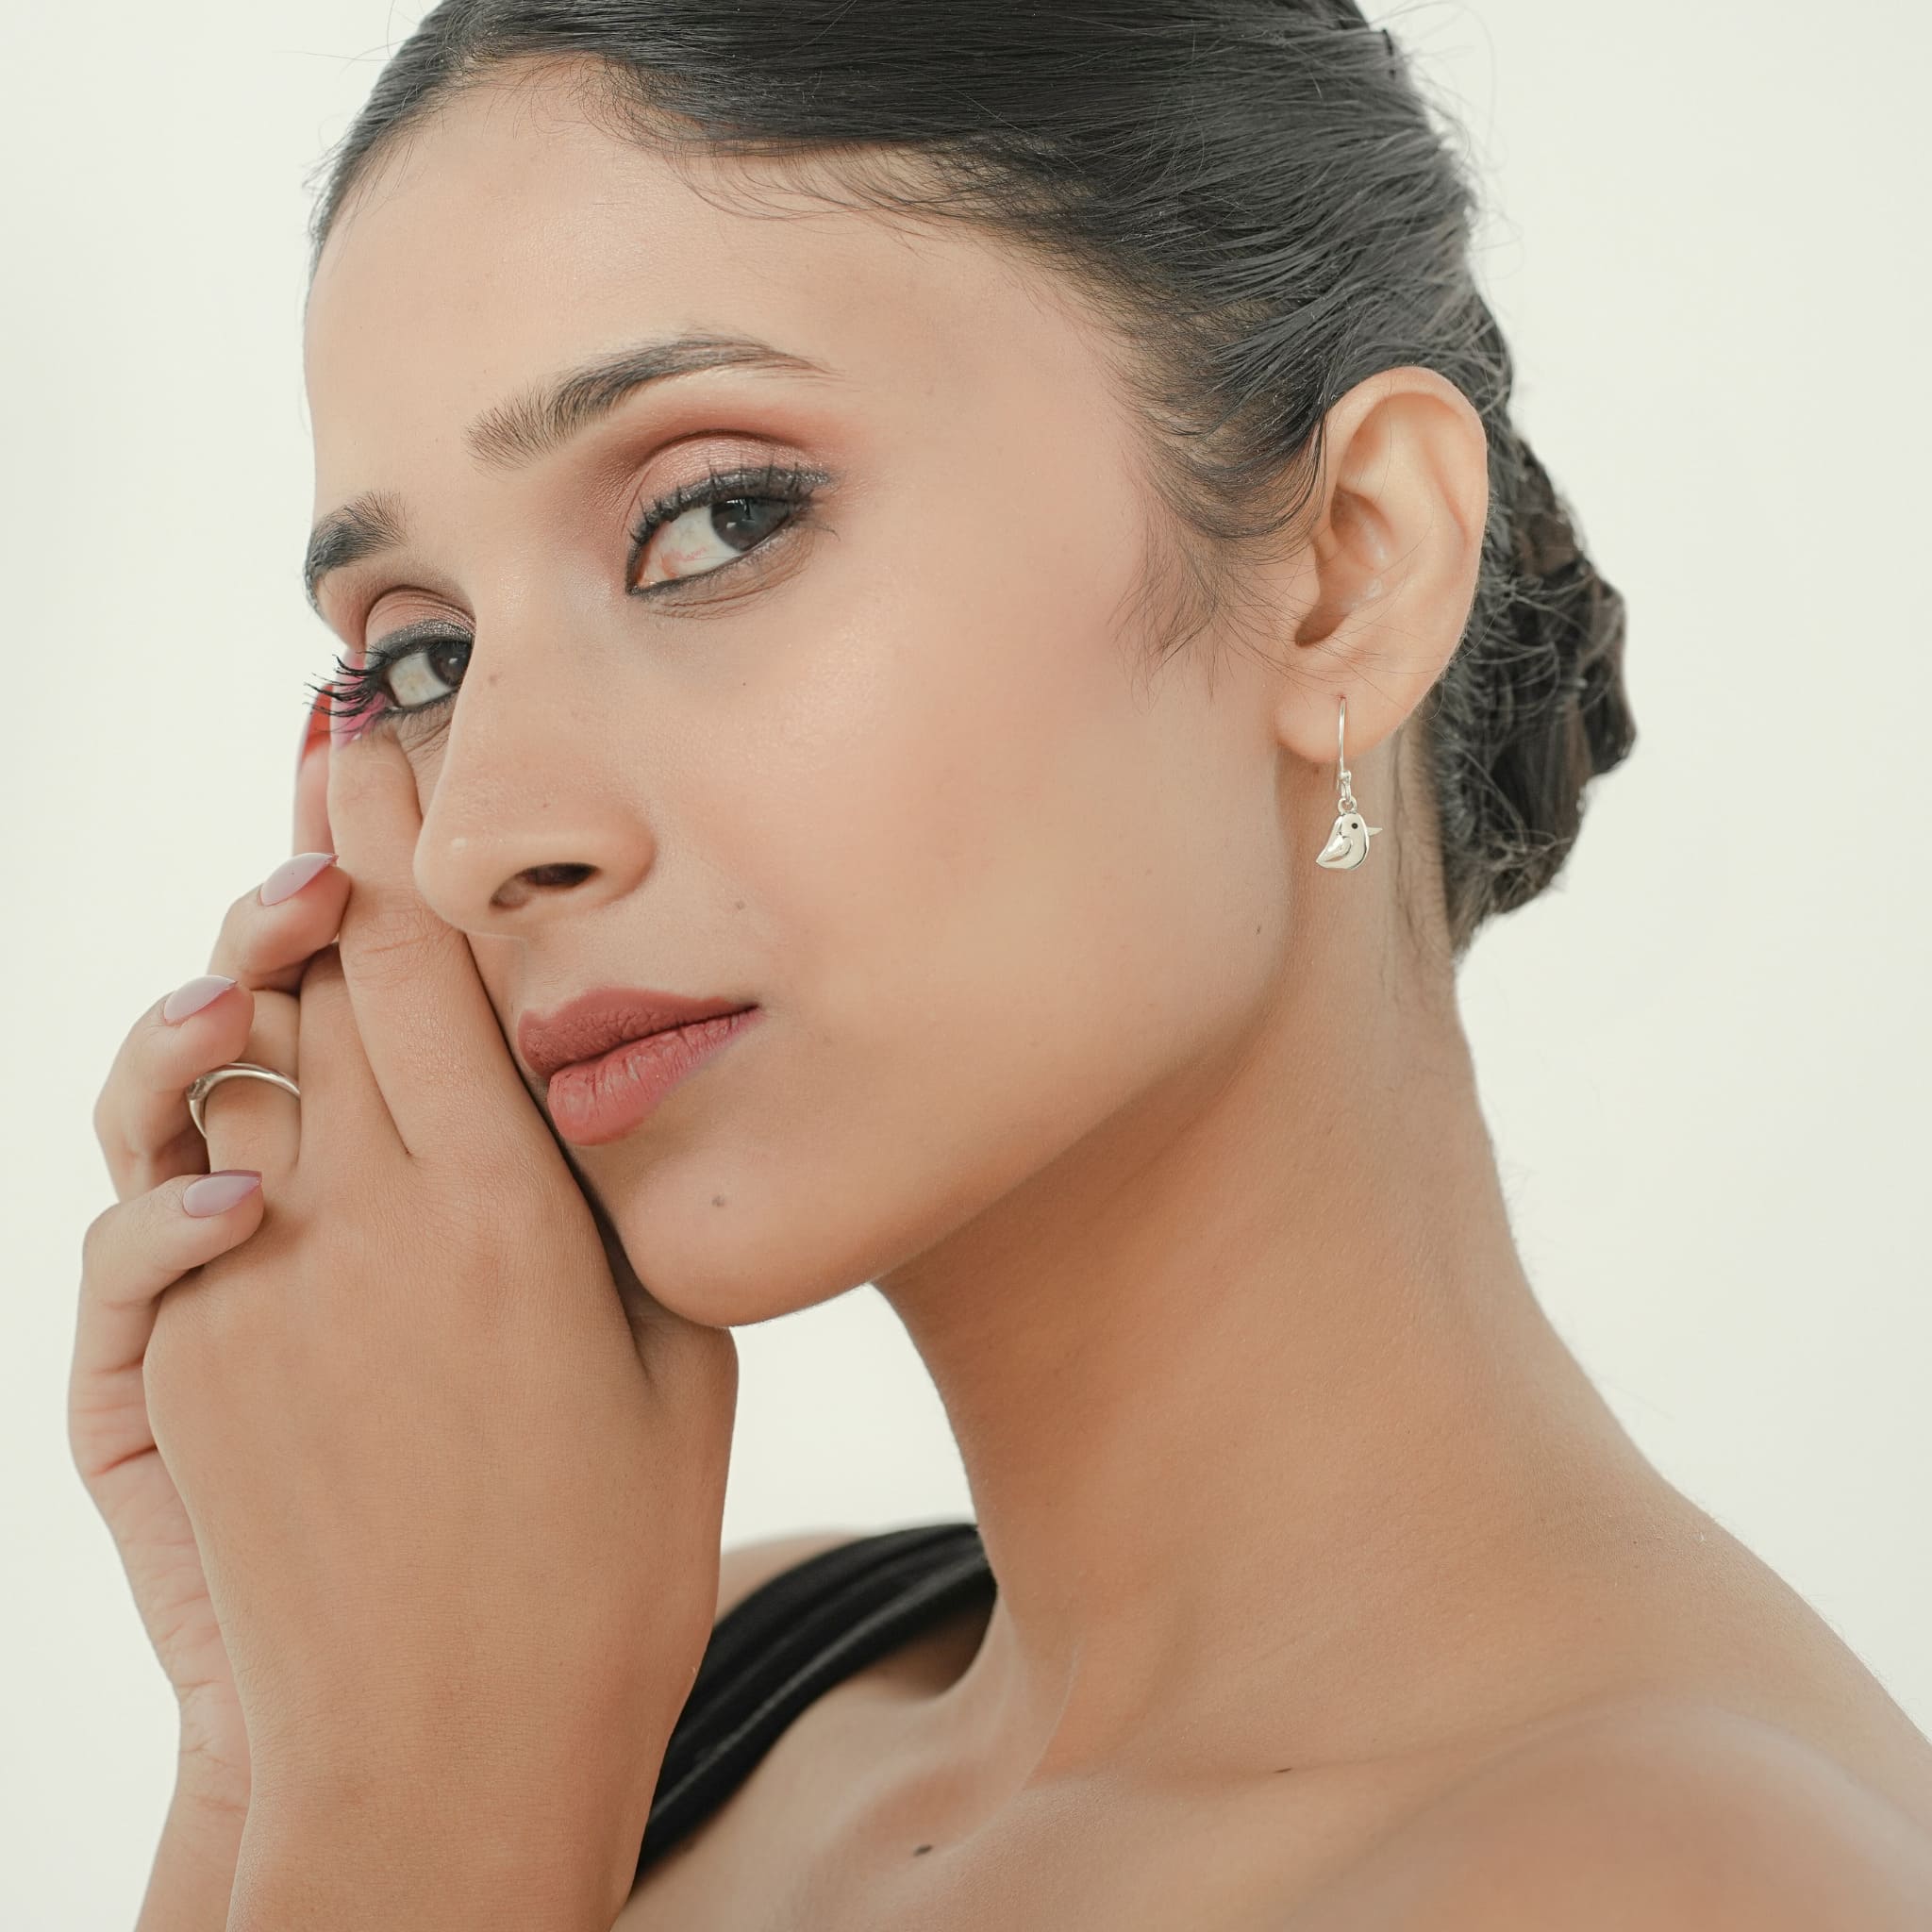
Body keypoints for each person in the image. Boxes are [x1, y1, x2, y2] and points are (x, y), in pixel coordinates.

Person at [75, 4, 1932, 1928]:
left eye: (712, 519)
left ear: (1353, 564)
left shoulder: (1676, 1882)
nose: (480, 834)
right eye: (422, 659)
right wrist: (284, 1750)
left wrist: (426, 1836)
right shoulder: (660, 1699)